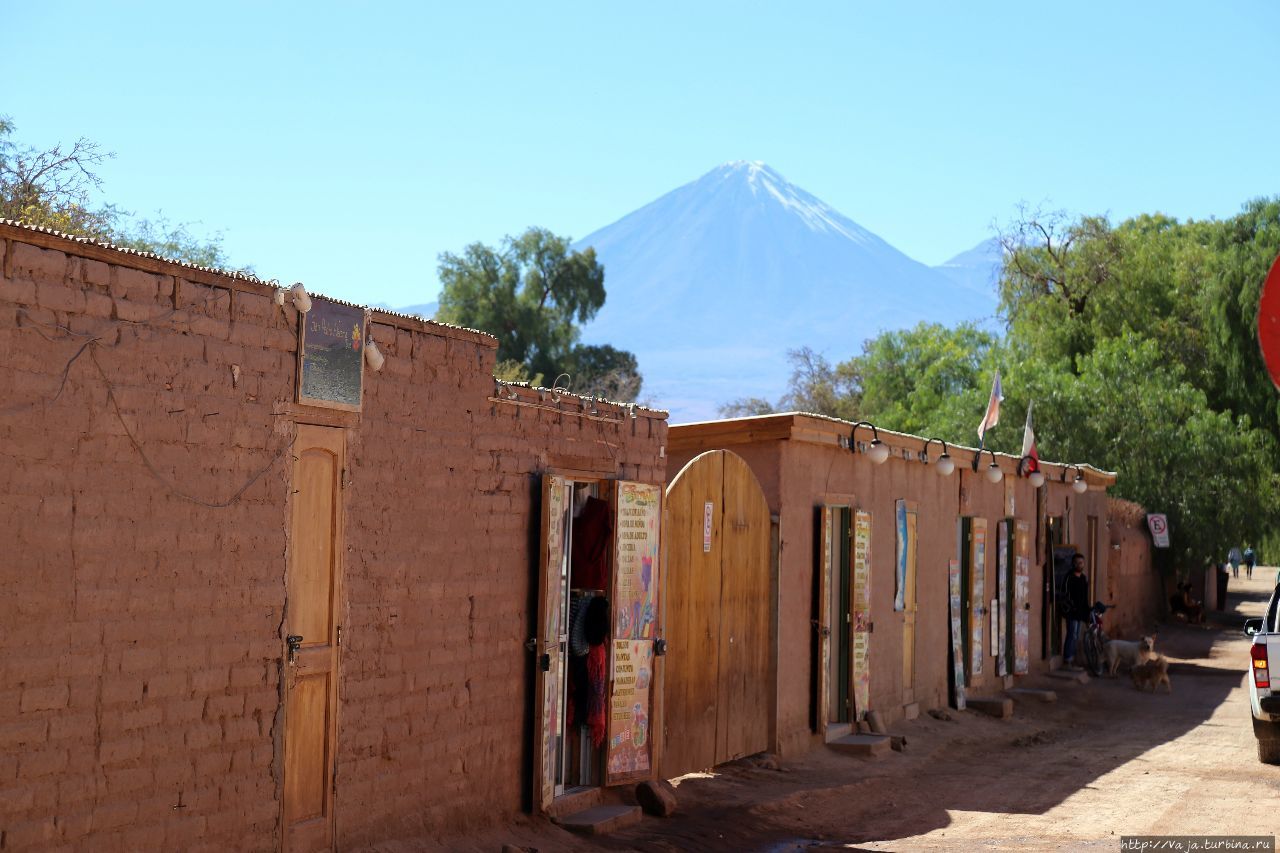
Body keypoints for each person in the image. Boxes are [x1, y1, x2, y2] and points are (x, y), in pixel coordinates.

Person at [1062, 553, 1090, 670]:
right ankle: (1067, 661)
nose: (1079, 565)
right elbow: (1065, 594)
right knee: (1071, 635)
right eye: (1077, 562)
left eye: (1081, 563)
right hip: (1071, 612)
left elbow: (1085, 597)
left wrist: (1086, 612)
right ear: (1073, 564)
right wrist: (1071, 607)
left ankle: (1072, 660)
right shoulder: (1069, 577)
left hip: (1079, 613)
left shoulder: (1083, 578)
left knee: (1076, 636)